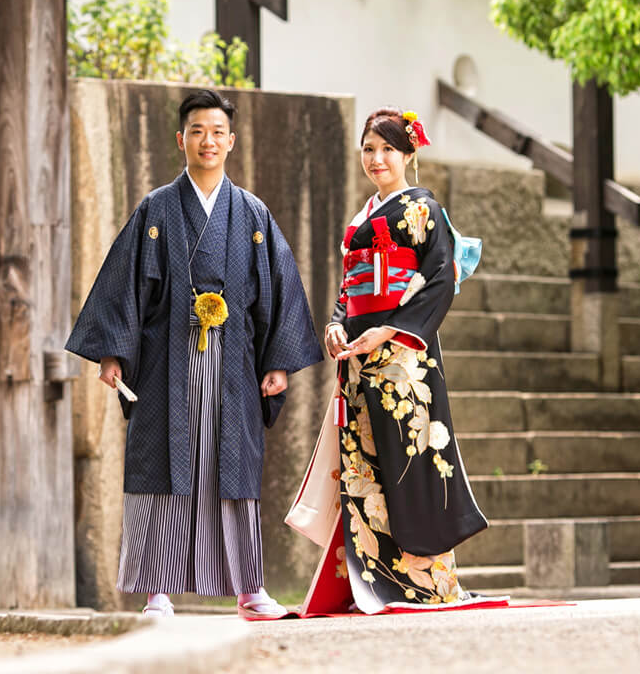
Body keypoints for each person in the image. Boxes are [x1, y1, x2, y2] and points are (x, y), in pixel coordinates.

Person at [65, 89, 324, 620]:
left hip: (234, 363)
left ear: (231, 141)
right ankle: (156, 592)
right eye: (197, 131)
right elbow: (125, 285)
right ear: (181, 139)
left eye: (217, 132)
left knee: (233, 468)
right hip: (166, 365)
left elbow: (278, 289)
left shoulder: (251, 214)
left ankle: (250, 589)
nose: (208, 141)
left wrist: (277, 361)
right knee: (162, 466)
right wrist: (113, 352)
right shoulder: (156, 210)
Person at [286, 107, 502, 615]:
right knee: (363, 463)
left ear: (409, 154)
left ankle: (430, 581)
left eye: (387, 149)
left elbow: (441, 277)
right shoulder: (361, 218)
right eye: (369, 149)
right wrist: (338, 322)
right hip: (359, 360)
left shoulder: (424, 209)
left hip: (404, 358)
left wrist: (392, 329)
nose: (377, 159)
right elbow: (349, 289)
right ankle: (378, 577)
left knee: (414, 461)